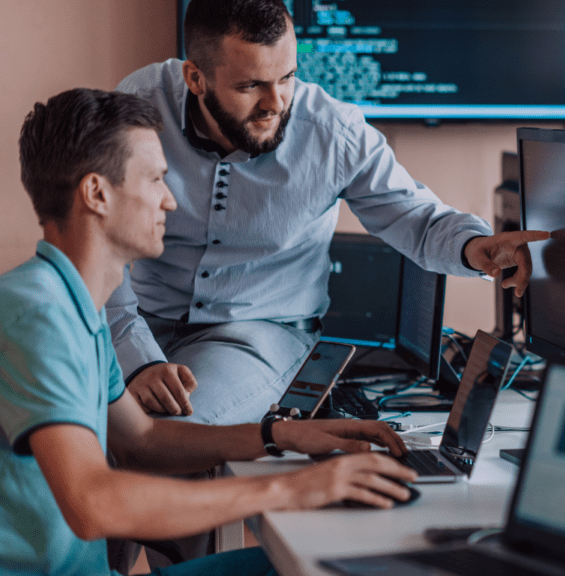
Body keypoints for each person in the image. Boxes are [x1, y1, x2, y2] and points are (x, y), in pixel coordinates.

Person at [1, 87, 417, 576]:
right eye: (156, 179)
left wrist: (281, 435)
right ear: (97, 193)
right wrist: (297, 488)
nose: (170, 200)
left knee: (323, 560)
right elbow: (94, 504)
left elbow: (143, 442)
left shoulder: (77, 308)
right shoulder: (38, 314)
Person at [108, 0, 549, 426]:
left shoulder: (332, 132)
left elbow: (415, 216)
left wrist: (476, 246)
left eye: (287, 78)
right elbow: (96, 241)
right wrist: (135, 356)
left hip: (259, 332)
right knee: (67, 419)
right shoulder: (137, 110)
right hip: (140, 319)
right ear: (195, 78)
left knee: (167, 429)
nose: (276, 103)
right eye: (250, 86)